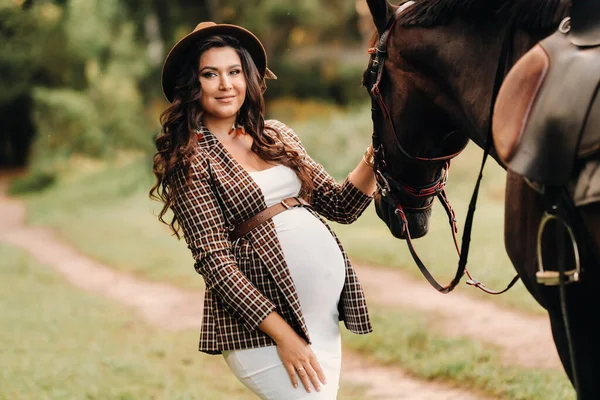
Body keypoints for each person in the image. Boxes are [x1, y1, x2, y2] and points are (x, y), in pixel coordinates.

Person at [150, 21, 377, 399]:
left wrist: (376, 154)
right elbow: (215, 262)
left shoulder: (276, 135)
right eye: (210, 74)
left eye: (234, 71)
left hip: (320, 322)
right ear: (192, 85)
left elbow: (341, 206)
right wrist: (285, 337)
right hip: (262, 332)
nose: (226, 84)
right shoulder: (191, 158)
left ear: (248, 77)